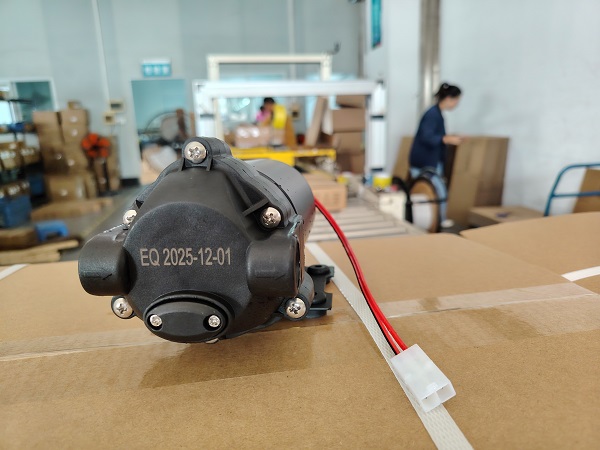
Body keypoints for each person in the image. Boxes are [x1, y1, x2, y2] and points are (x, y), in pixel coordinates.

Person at [409, 82, 464, 228]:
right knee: (437, 193)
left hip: (430, 161)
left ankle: (434, 221)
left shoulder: (437, 114)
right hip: (425, 162)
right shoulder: (432, 114)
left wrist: (449, 137)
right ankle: (438, 221)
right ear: (449, 99)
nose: (457, 104)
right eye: (457, 100)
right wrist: (446, 139)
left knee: (433, 193)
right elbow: (427, 137)